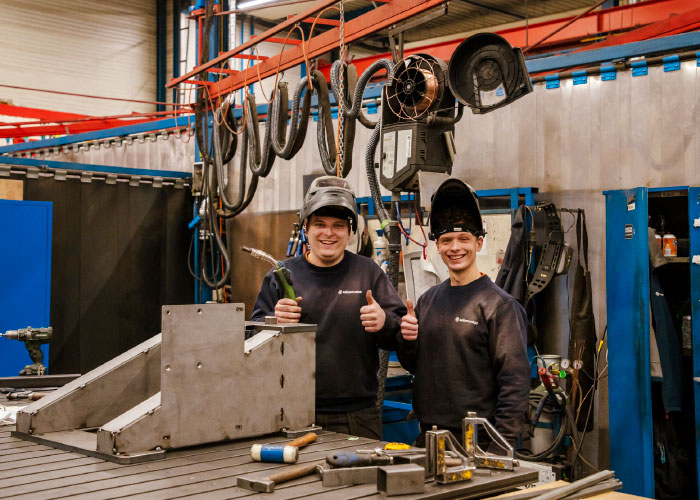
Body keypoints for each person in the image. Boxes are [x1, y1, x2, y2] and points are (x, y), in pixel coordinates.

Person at [251, 176, 406, 439]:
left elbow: (401, 333)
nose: (328, 233)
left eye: (338, 226)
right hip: (293, 413)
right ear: (306, 228)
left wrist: (384, 322)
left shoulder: (367, 273)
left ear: (349, 232)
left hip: (358, 416)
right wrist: (273, 324)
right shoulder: (282, 274)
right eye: (320, 224)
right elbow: (251, 342)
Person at [397, 178, 530, 448]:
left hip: (478, 443)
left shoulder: (500, 307)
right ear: (438, 246)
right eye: (446, 240)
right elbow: (415, 365)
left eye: (464, 239)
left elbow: (515, 384)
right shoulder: (428, 300)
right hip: (429, 439)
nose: (455, 247)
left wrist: (498, 449)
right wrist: (407, 339)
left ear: (479, 244)